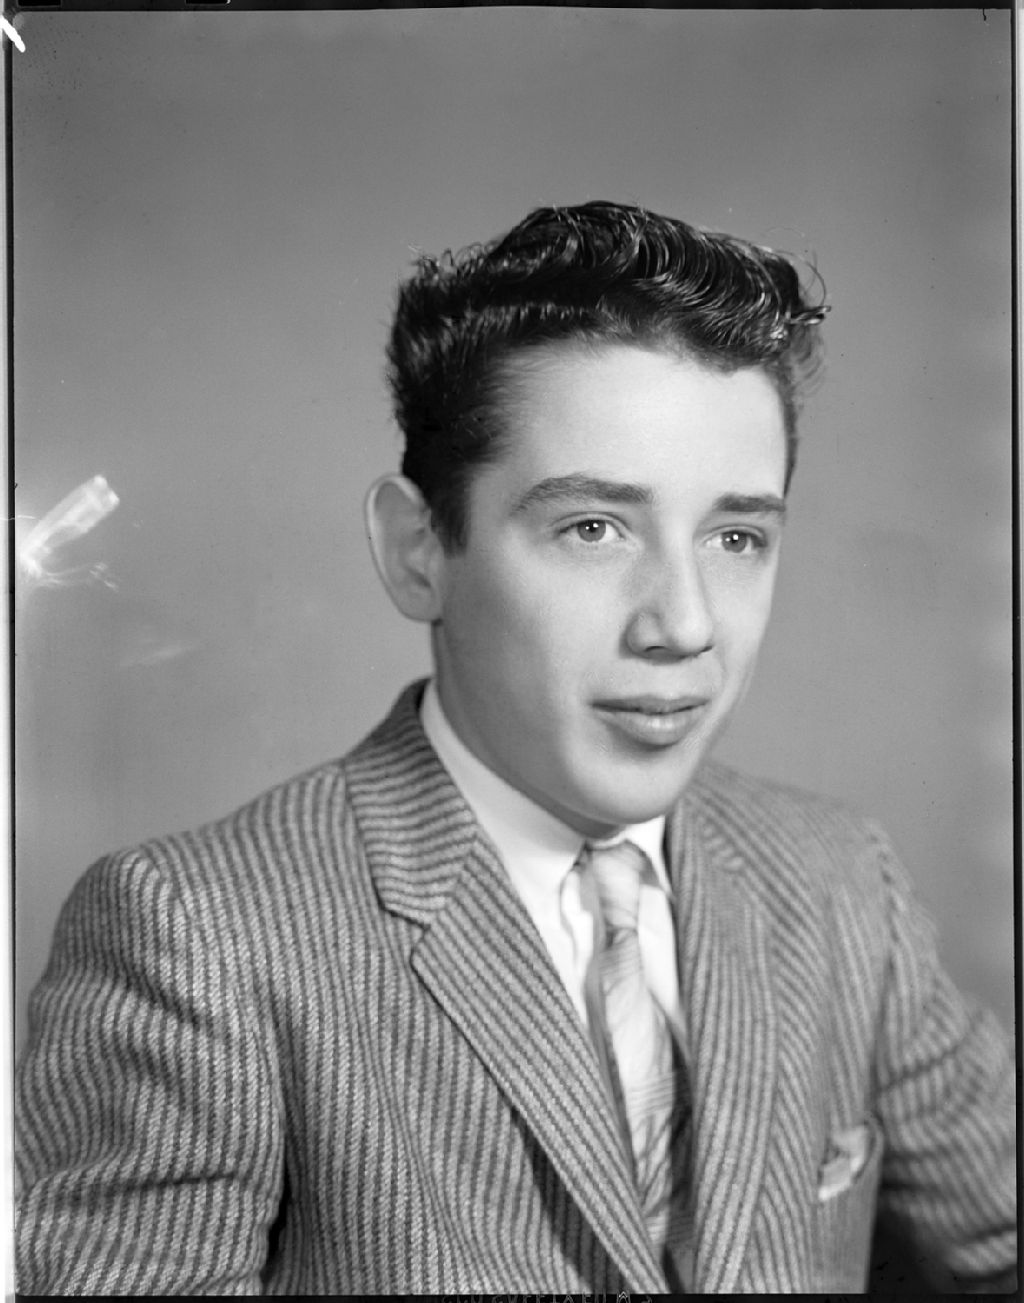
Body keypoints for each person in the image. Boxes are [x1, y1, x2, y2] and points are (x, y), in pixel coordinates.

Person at [15, 201, 1015, 1294]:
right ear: (417, 551)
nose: (684, 623)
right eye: (592, 528)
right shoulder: (193, 936)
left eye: (737, 537)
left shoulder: (839, 879)